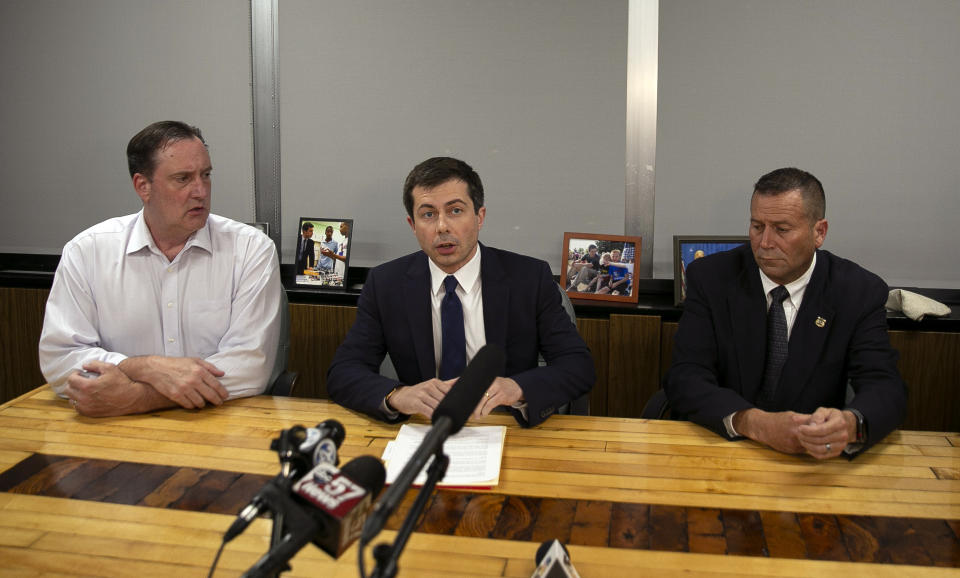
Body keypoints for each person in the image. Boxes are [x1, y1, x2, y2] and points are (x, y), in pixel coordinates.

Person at [39, 121, 283, 417]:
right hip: (113, 430)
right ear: (143, 186)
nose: (200, 191)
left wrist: (138, 398)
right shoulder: (87, 252)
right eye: (183, 179)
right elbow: (60, 358)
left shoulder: (249, 249)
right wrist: (143, 366)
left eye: (205, 176)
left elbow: (250, 367)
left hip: (218, 424)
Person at [327, 157, 594, 427]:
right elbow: (344, 371)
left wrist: (516, 388)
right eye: (428, 214)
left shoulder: (528, 278)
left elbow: (577, 365)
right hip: (424, 429)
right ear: (412, 225)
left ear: (479, 216)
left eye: (455, 211)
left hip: (505, 428)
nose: (442, 227)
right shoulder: (386, 284)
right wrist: (398, 395)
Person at [664, 167, 906, 458]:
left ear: (819, 232)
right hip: (722, 448)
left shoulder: (857, 291)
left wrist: (850, 424)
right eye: (757, 227)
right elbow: (686, 376)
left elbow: (885, 386)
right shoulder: (711, 278)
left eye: (782, 229)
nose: (765, 243)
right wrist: (754, 423)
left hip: (810, 457)